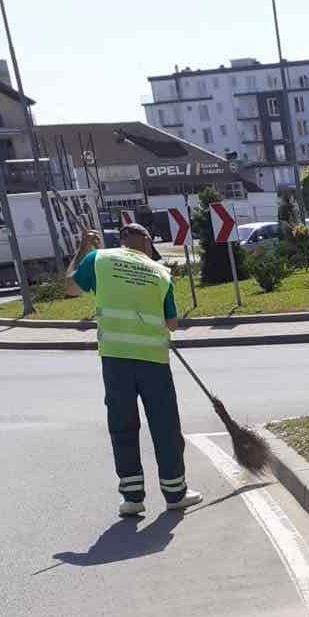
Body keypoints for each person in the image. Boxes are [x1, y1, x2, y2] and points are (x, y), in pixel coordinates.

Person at [66, 223, 201, 520]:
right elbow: (172, 323)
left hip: (116, 360)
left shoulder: (99, 259)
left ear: (122, 241)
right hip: (154, 360)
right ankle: (175, 493)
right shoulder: (160, 272)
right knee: (165, 426)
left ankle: (132, 498)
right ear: (148, 242)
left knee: (123, 425)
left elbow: (71, 288)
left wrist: (83, 248)